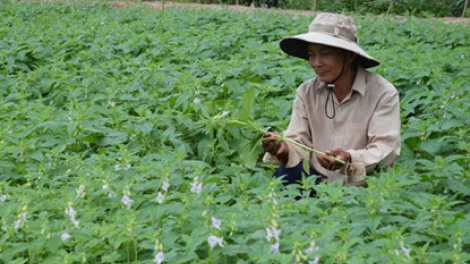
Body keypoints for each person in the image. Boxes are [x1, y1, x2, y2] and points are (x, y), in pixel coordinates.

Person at [262, 13, 401, 187]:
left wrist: (349, 159)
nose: (316, 63)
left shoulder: (382, 93)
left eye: (325, 54)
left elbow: (384, 149)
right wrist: (283, 149)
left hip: (360, 189)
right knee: (284, 174)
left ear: (349, 56)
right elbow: (299, 141)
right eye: (311, 54)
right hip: (314, 183)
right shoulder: (306, 92)